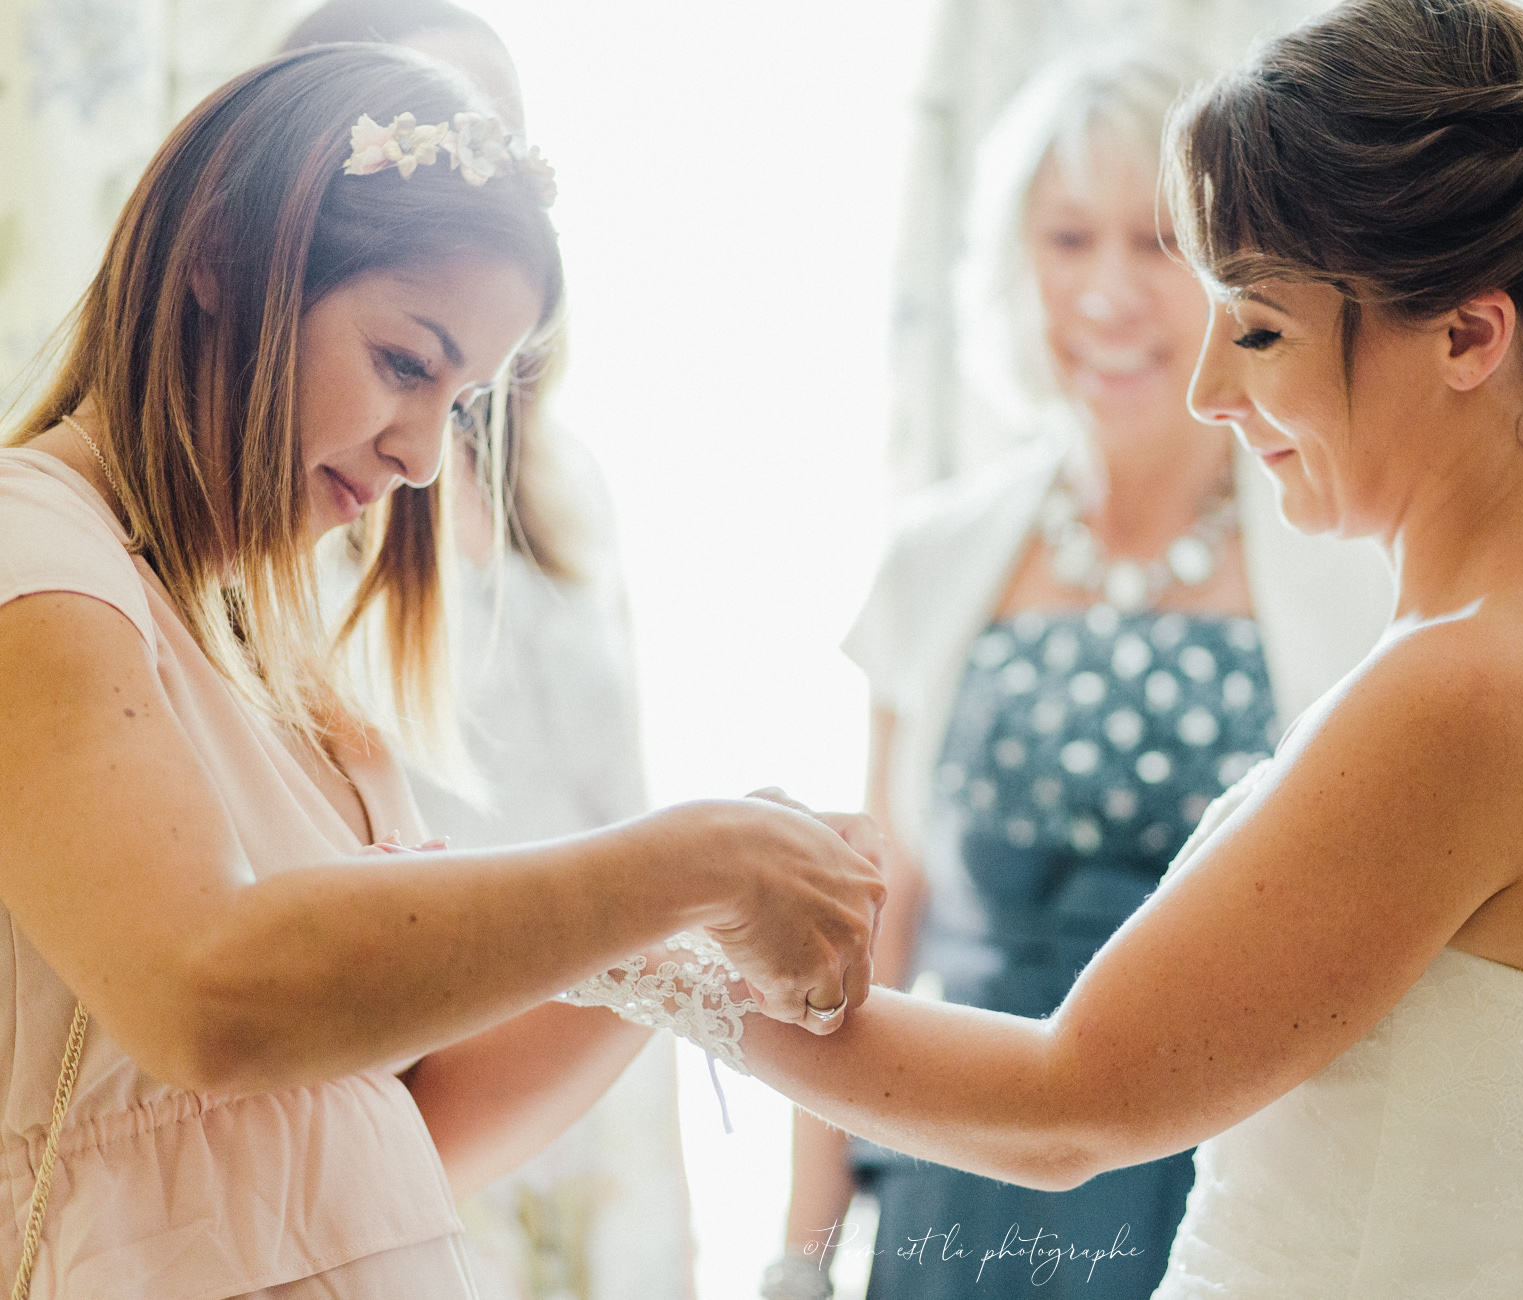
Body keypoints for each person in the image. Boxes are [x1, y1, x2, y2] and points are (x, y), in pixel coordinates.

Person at [595, 1, 1523, 1293]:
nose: (1207, 389)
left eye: (1256, 327)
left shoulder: (1483, 683)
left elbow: (1067, 1109)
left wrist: (631, 945)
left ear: (1469, 334)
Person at [0, 44, 882, 1298]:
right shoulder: (31, 552)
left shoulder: (288, 674)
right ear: (218, 257)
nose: (422, 457)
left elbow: (403, 1130)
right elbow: (207, 992)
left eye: (460, 401)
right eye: (407, 363)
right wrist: (694, 859)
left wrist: (693, 932)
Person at [765, 48, 1388, 1300]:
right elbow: (875, 932)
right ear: (1014, 266)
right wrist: (804, 1253)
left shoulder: (1350, 570)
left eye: (1159, 243)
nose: (1109, 295)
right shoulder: (937, 559)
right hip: (959, 1176)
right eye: (1066, 239)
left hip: (1237, 1183)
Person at [284, 5, 697, 1295]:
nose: (477, 177)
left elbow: (614, 798)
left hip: (589, 1053)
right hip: (416, 1074)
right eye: (440, 135)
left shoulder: (565, 490)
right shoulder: (313, 494)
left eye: (502, 148)